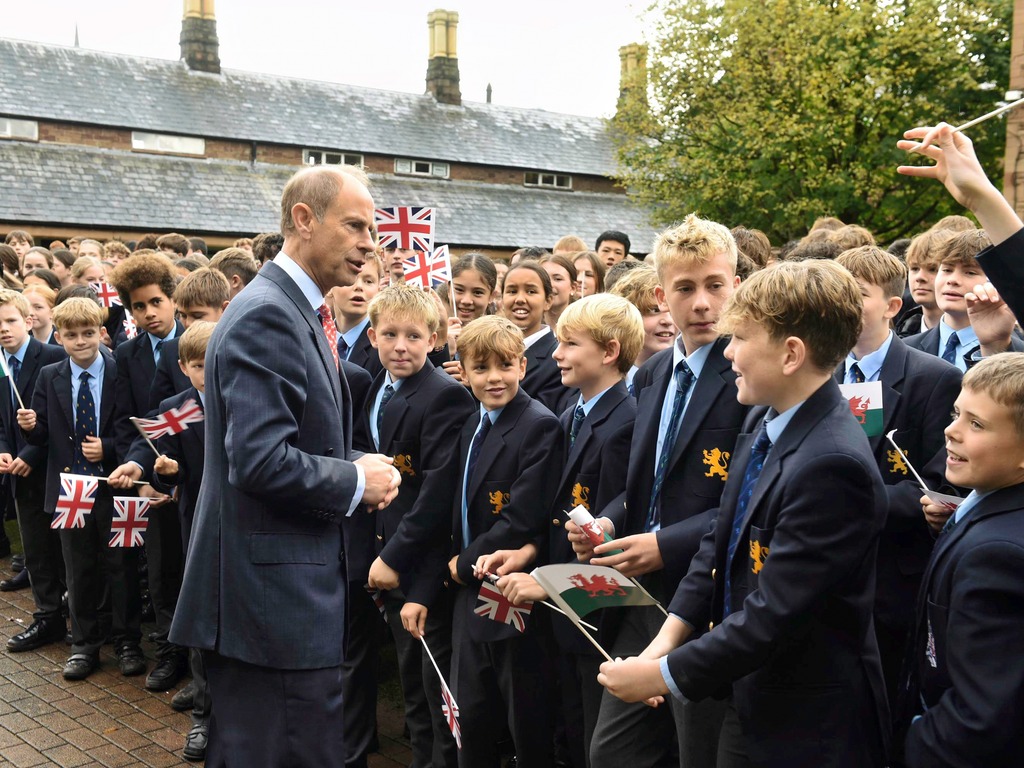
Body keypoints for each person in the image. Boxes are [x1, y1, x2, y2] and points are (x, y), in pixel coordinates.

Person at [598, 260, 890, 768]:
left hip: (800, 715)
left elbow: (775, 613)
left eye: (741, 338)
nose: (728, 352)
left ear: (791, 354)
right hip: (748, 688)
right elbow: (720, 538)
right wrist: (665, 639)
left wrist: (662, 675)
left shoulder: (832, 464)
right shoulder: (765, 419)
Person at [167, 164, 400, 767]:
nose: (369, 243)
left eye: (370, 228)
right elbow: (259, 461)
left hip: (283, 605)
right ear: (304, 219)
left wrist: (353, 461)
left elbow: (288, 439)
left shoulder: (291, 309)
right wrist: (355, 480)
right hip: (271, 610)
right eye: (355, 225)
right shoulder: (270, 313)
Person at [585, 215, 748, 768]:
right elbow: (641, 479)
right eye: (685, 288)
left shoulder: (748, 377)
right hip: (638, 593)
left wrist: (666, 543)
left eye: (715, 285)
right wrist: (608, 521)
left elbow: (748, 500)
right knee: (613, 751)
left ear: (736, 287)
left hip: (702, 600)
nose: (701, 303)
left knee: (694, 749)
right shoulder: (652, 374)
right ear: (661, 295)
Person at [485, 293, 643, 768]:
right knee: (565, 729)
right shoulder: (576, 410)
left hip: (593, 616)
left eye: (569, 344)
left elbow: (604, 541)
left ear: (609, 352)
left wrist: (548, 583)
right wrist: (530, 551)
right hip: (560, 608)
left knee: (588, 738)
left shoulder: (625, 423)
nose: (555, 354)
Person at [834, 246, 962, 701]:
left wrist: (844, 504)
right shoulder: (821, 371)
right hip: (827, 577)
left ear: (892, 306)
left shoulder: (934, 378)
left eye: (858, 295)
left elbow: (939, 486)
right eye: (838, 293)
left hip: (891, 583)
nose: (844, 305)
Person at [365, 283, 475, 768]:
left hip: (421, 566)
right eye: (389, 334)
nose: (400, 345)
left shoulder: (445, 397)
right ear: (372, 337)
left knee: (435, 691)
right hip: (385, 550)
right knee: (413, 688)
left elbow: (437, 496)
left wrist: (393, 558)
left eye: (413, 335)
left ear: (434, 339)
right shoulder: (379, 384)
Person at [448, 314, 563, 768]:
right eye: (480, 368)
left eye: (503, 365)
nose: (493, 378)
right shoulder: (473, 422)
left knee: (522, 708)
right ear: (465, 371)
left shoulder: (538, 424)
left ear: (522, 365)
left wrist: (461, 563)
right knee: (470, 709)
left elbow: (521, 517)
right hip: (469, 588)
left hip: (506, 584)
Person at [900, 354, 1024, 766]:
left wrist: (919, 742)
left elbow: (980, 716)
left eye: (977, 424)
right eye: (957, 414)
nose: (951, 432)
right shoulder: (988, 512)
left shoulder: (995, 556)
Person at [18, 298, 144, 682]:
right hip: (71, 485)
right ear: (59, 337)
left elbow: (134, 424)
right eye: (71, 335)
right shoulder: (50, 375)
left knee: (121, 566)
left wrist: (109, 445)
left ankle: (127, 640)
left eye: (88, 333)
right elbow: (44, 437)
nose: (80, 342)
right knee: (78, 567)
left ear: (102, 333)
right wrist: (30, 426)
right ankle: (84, 643)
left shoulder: (121, 369)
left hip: (115, 484)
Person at [108, 252, 188, 693]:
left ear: (171, 297)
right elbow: (127, 419)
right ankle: (169, 650)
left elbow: (182, 417)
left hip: (189, 476)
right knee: (160, 570)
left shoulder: (195, 345)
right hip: (149, 480)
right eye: (138, 307)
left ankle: (198, 657)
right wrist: (139, 472)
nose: (148, 313)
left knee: (192, 566)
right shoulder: (128, 353)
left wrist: (170, 469)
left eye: (155, 301)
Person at [897, 122, 1024, 326]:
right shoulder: (906, 339)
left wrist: (994, 346)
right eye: (945, 269)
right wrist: (979, 198)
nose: (953, 280)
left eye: (970, 272)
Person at [0, 290, 67, 650]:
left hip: (50, 467)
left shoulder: (53, 357)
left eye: (10, 321)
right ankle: (47, 617)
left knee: (66, 549)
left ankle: (80, 612)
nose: (4, 330)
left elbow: (61, 420)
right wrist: (5, 451)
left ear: (28, 321)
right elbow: (1, 421)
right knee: (36, 550)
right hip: (19, 474)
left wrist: (30, 451)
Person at [501, 261, 574, 414]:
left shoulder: (558, 361)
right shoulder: (488, 349)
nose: (520, 299)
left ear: (548, 301)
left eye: (531, 291)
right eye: (512, 291)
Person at [609, 265, 676, 394]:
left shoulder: (683, 384)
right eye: (654, 311)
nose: (667, 321)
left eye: (672, 310)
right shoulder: (600, 380)